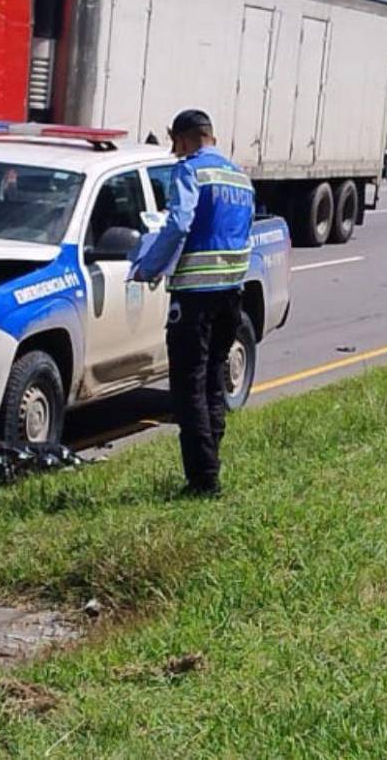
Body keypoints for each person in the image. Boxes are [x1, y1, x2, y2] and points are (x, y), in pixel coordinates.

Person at [131, 109, 254, 497]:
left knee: (188, 388)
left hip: (195, 298)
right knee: (215, 382)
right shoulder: (240, 177)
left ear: (185, 138)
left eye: (175, 143)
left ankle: (202, 482)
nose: (174, 151)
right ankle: (210, 465)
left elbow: (179, 224)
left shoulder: (191, 171)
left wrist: (149, 267)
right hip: (232, 295)